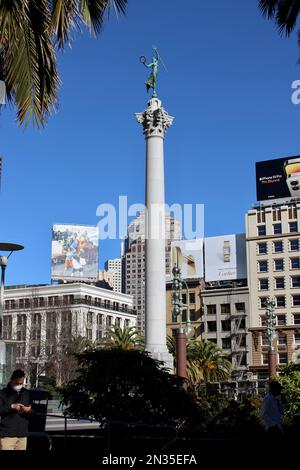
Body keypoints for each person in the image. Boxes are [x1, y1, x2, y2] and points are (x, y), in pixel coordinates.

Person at [0, 369, 32, 450]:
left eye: (21, 383)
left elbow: (34, 411)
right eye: (17, 383)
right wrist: (11, 407)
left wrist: (29, 410)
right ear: (11, 380)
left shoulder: (26, 393)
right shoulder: (2, 393)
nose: (19, 385)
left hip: (22, 434)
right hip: (7, 435)